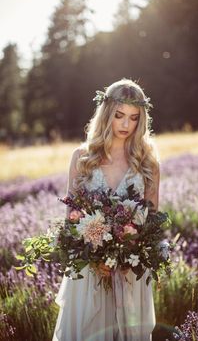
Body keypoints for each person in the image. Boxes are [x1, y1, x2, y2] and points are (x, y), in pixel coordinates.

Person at [52, 78, 160, 341]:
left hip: (129, 273)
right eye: (119, 115)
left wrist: (128, 255)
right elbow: (72, 215)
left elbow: (152, 222)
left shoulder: (148, 163)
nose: (126, 125)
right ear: (106, 114)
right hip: (90, 272)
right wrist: (94, 256)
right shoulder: (82, 158)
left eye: (134, 118)